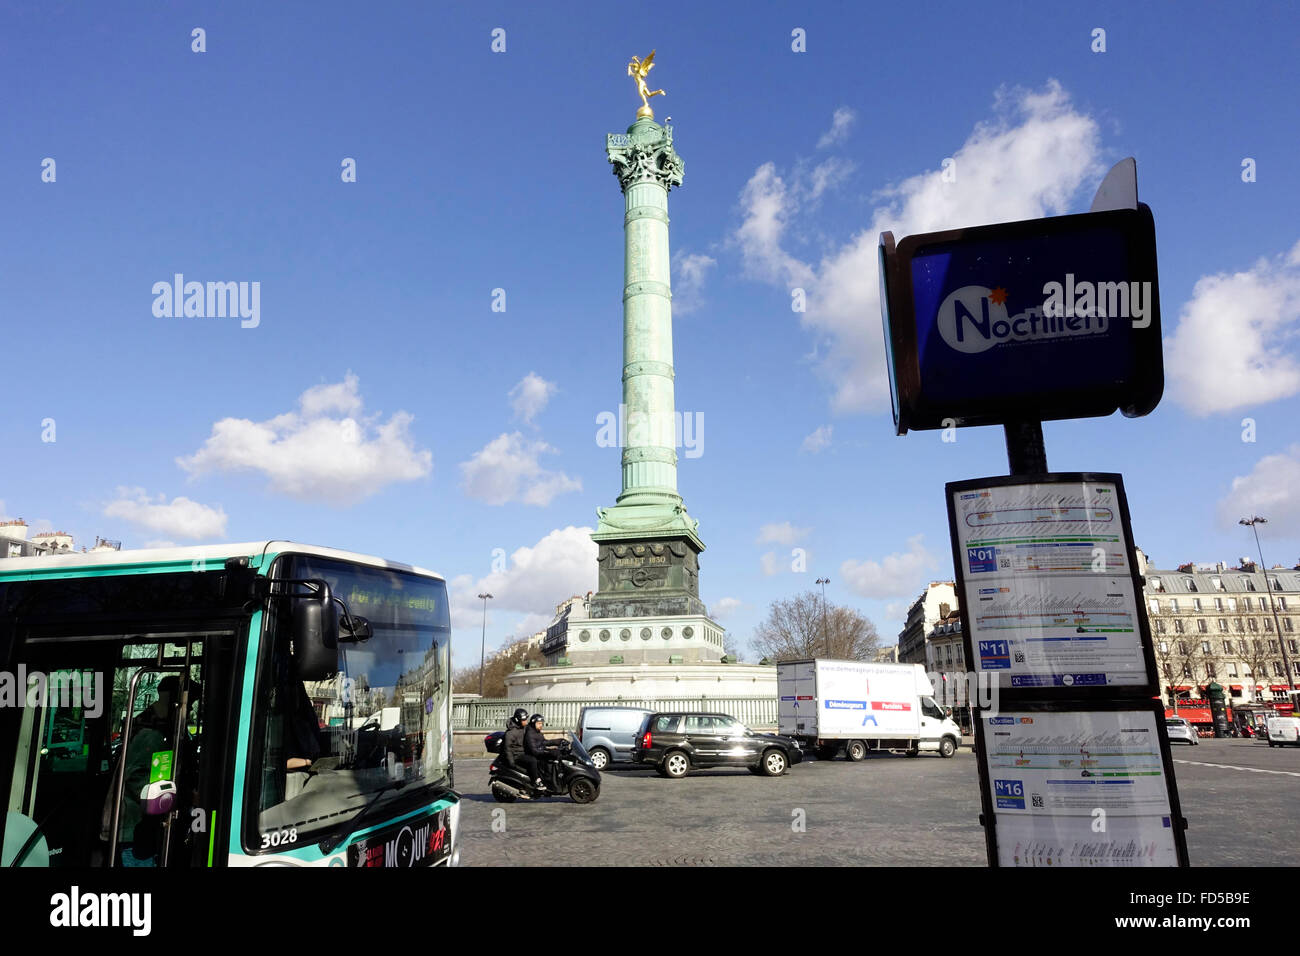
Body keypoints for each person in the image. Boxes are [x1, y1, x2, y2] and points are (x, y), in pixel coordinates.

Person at [501, 708, 543, 793]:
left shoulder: (523, 728)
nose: (526, 721)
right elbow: (507, 749)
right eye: (524, 720)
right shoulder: (511, 733)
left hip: (523, 752)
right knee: (533, 761)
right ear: (518, 720)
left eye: (526, 719)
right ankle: (536, 782)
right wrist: (511, 762)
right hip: (516, 755)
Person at [524, 714, 565, 791]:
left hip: (540, 754)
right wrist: (548, 752)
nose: (541, 725)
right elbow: (534, 751)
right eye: (539, 723)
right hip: (535, 756)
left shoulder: (537, 732)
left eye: (541, 723)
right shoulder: (530, 734)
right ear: (533, 723)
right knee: (550, 759)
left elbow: (544, 742)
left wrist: (559, 741)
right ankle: (545, 782)